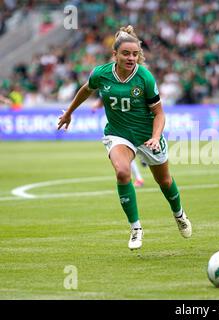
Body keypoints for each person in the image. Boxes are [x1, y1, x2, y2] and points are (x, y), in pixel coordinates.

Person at [57, 25, 192, 251]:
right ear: (115, 55)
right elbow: (85, 89)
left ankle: (179, 214)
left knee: (165, 181)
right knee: (122, 172)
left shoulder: (145, 78)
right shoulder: (101, 73)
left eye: (135, 54)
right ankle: (136, 228)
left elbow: (159, 113)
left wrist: (156, 137)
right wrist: (69, 112)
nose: (131, 58)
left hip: (147, 135)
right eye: (126, 54)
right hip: (118, 134)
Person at [91, 97, 145, 187]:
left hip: (130, 123)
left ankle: (143, 156)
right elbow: (101, 101)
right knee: (125, 155)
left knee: (136, 147)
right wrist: (95, 107)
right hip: (119, 127)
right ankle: (139, 176)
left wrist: (95, 106)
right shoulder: (106, 87)